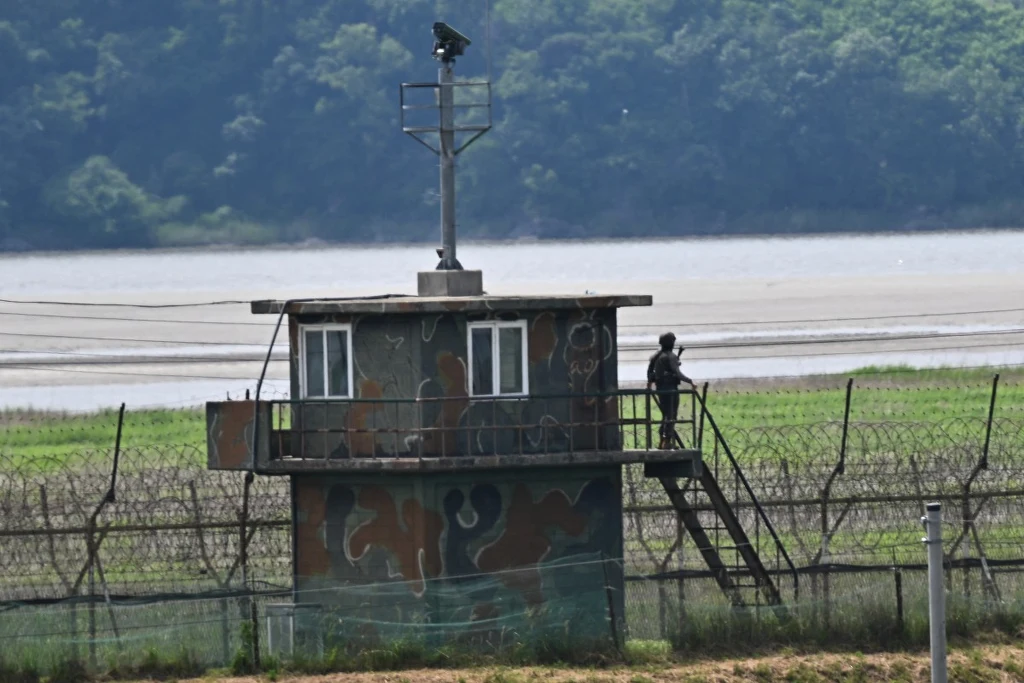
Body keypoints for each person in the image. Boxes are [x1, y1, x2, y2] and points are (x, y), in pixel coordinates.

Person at [646, 332, 696, 449]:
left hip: (660, 389)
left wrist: (650, 382)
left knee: (666, 415)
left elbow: (650, 372)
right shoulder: (670, 356)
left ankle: (662, 441)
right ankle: (666, 441)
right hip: (670, 389)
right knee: (671, 415)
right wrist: (690, 381)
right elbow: (677, 373)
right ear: (672, 343)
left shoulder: (656, 356)